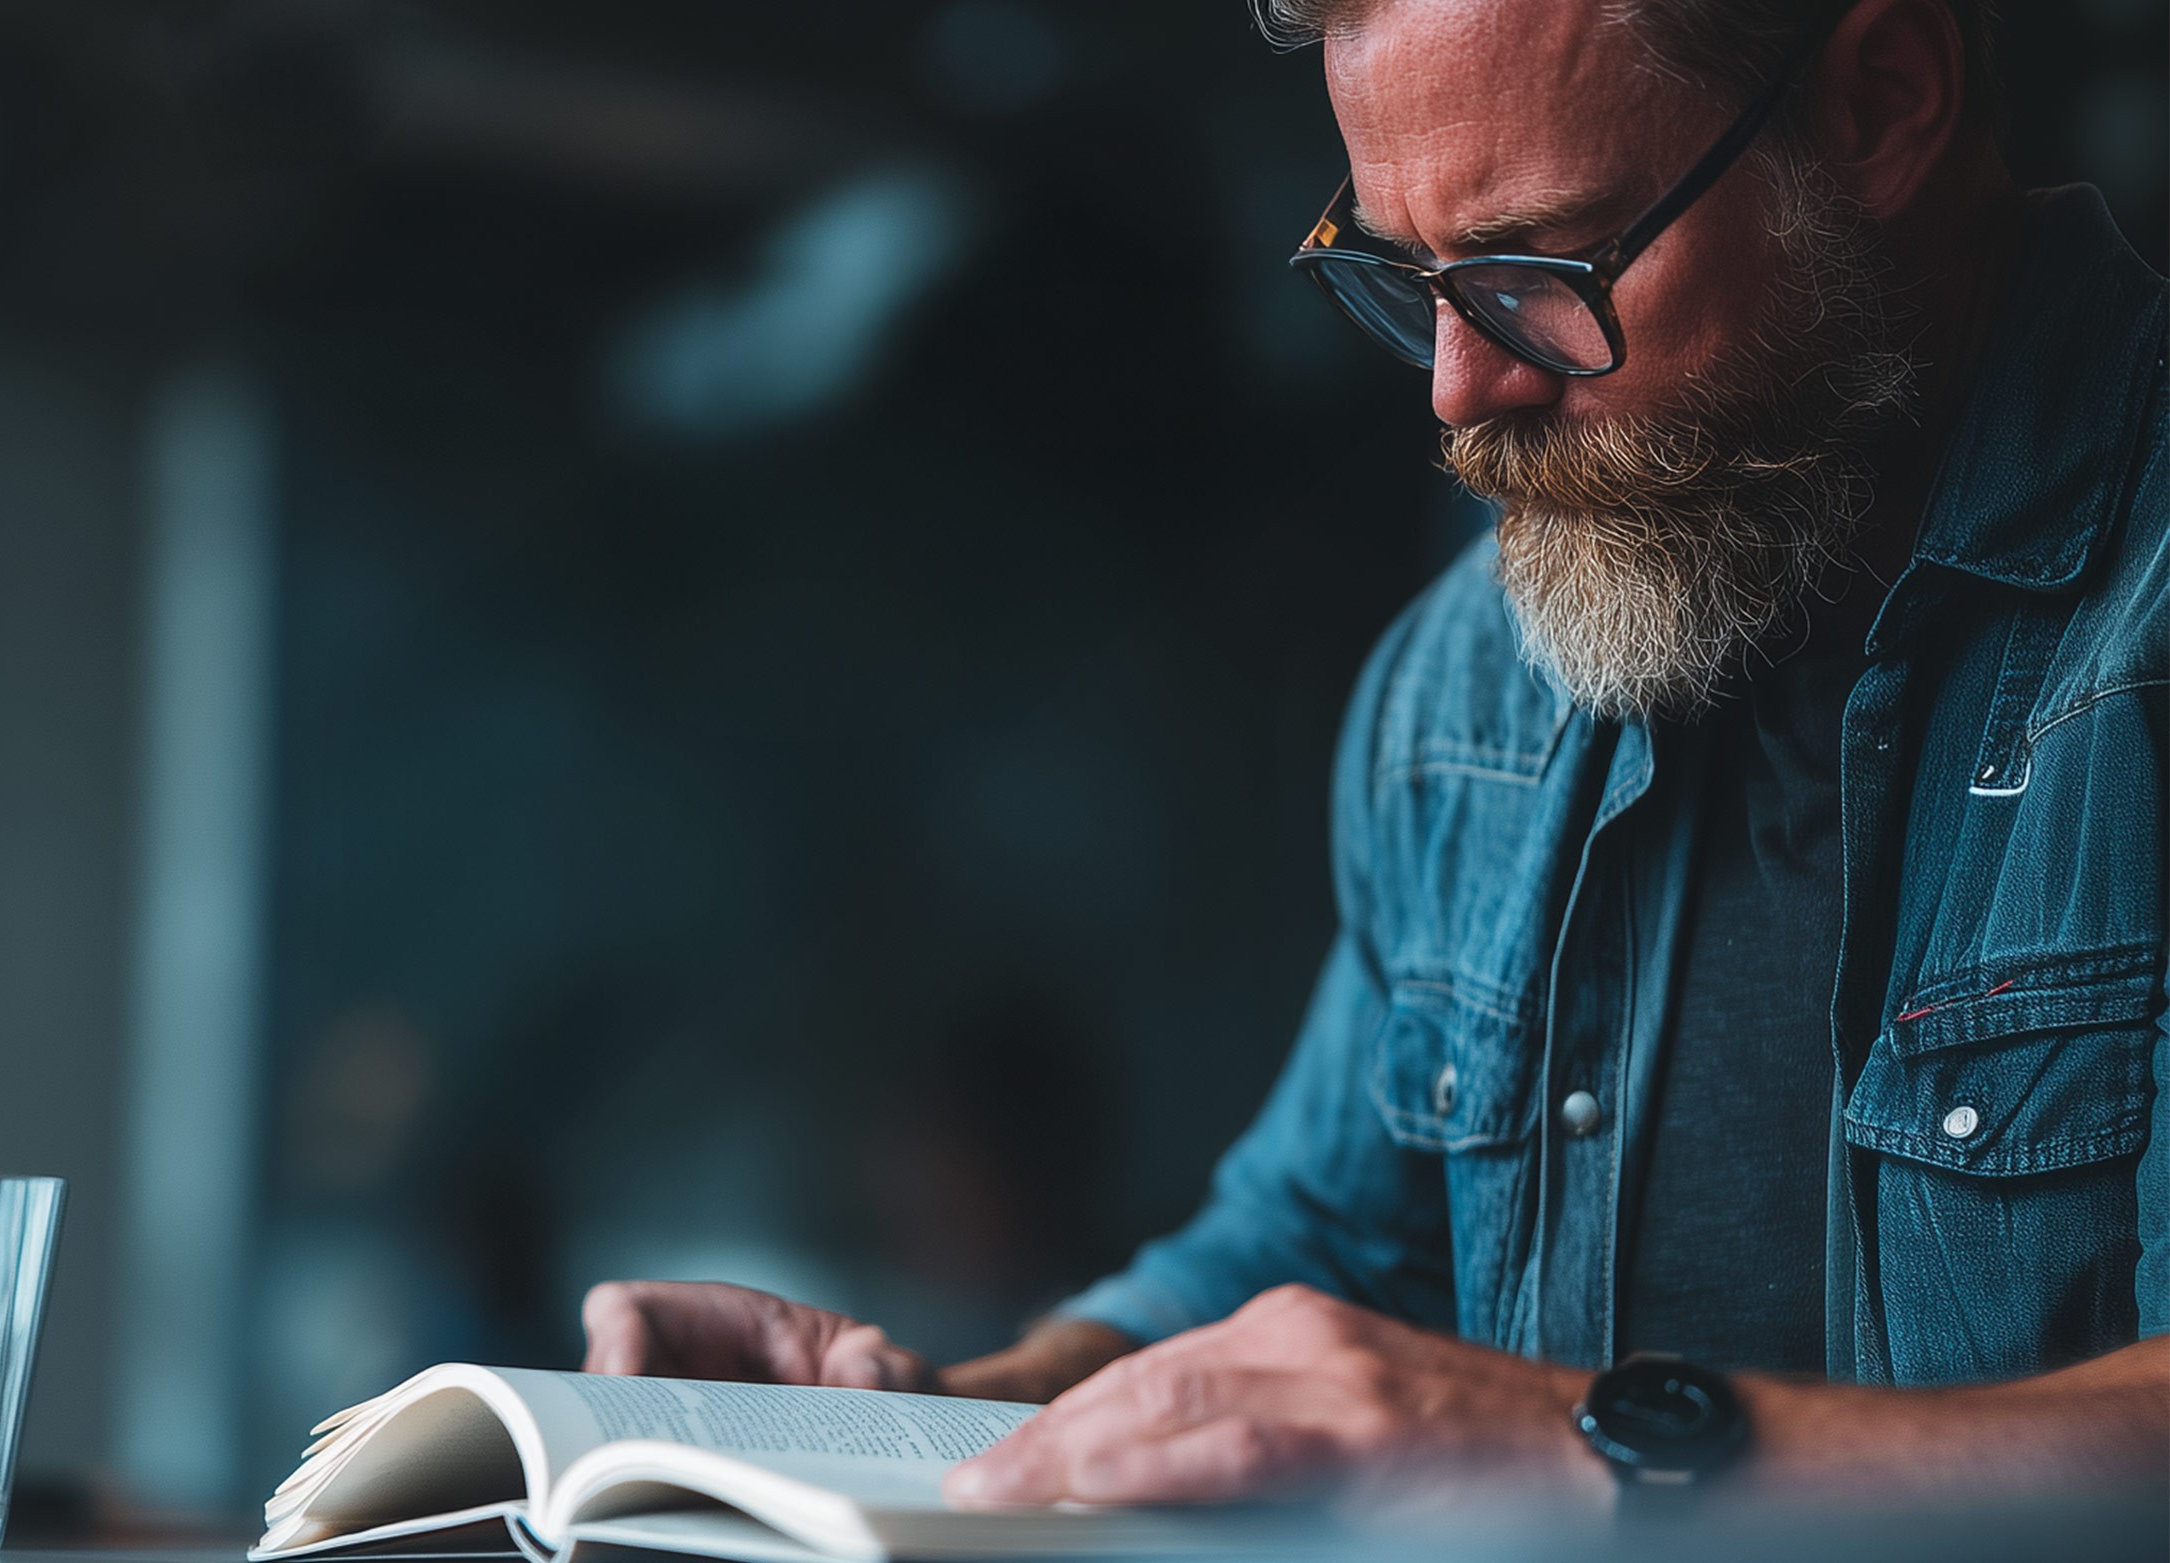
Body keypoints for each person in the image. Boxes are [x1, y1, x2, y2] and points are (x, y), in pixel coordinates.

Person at [580, 0, 2170, 1509]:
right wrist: (943, 1420)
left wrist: (1599, 1454)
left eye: (1539, 266)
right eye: (1403, 277)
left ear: (1882, 104)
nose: (1460, 391)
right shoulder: (1469, 682)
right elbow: (1321, 1239)